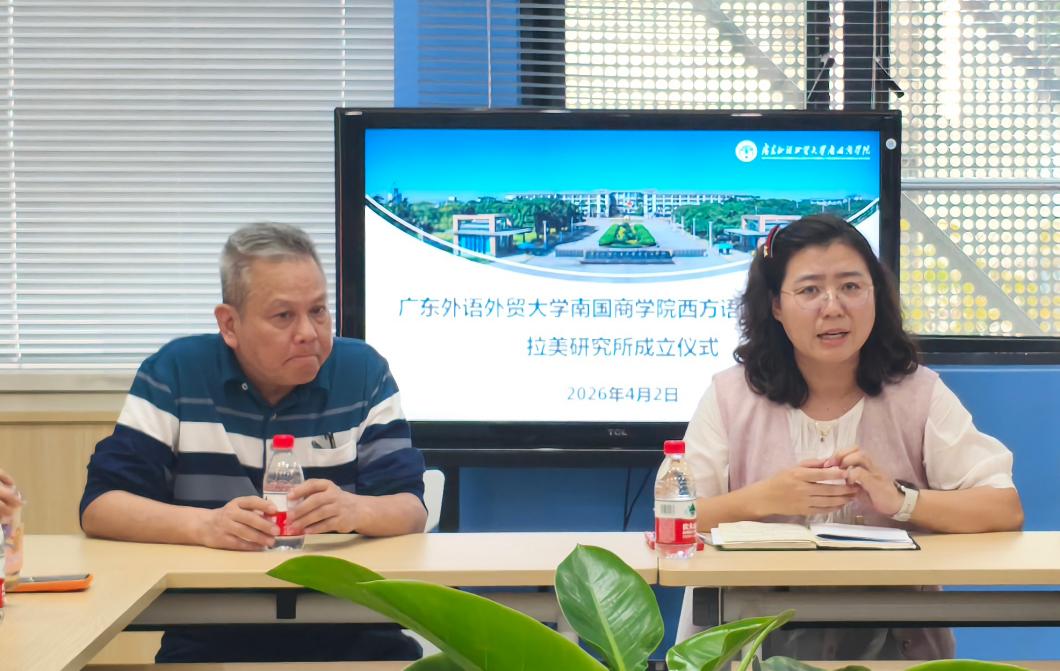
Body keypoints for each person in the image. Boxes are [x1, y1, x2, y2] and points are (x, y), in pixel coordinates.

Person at [679, 213, 1023, 660]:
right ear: (776, 306)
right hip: (748, 645)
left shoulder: (918, 393)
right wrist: (763, 499)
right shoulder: (729, 396)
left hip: (894, 644)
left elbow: (1003, 507)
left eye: (851, 286)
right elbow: (677, 518)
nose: (833, 307)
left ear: (875, 294)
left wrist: (902, 501)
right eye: (809, 290)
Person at [79, 222, 426, 663]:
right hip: (210, 633)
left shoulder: (363, 372)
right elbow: (102, 507)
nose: (309, 332)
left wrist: (354, 510)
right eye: (284, 316)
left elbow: (410, 508)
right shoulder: (176, 372)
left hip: (355, 629)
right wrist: (205, 526)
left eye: (318, 311)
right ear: (229, 324)